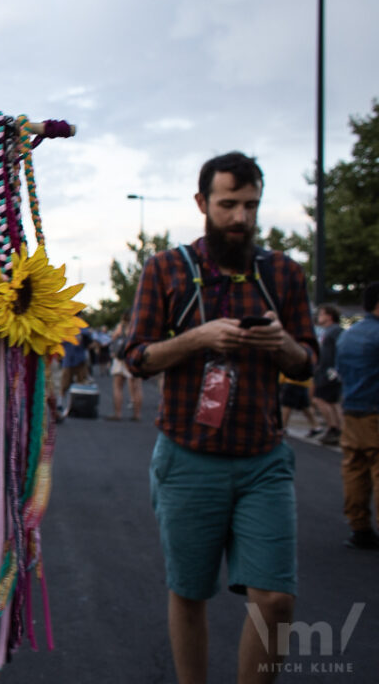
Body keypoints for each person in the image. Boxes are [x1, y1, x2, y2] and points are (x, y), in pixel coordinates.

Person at [125, 152, 316, 684]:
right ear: (202, 203)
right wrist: (197, 339)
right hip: (189, 458)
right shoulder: (165, 269)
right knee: (190, 593)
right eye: (228, 204)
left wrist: (282, 345)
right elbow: (136, 357)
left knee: (275, 598)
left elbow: (308, 363)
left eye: (250, 205)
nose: (240, 217)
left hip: (264, 459)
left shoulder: (282, 273)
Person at [335, 281, 379, 550]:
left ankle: (359, 526)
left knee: (354, 467)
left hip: (352, 408)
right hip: (376, 409)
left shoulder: (348, 334)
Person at [310, 304, 344, 446]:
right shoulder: (329, 331)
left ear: (329, 316)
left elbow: (339, 350)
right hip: (327, 371)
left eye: (322, 314)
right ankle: (339, 430)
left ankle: (333, 428)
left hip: (328, 372)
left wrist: (334, 370)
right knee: (332, 401)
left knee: (319, 399)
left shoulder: (334, 331)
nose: (319, 317)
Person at [109, 313, 142, 421]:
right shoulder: (138, 326)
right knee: (136, 387)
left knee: (118, 387)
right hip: (134, 358)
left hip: (120, 359)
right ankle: (137, 414)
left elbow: (113, 338)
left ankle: (118, 413)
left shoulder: (121, 327)